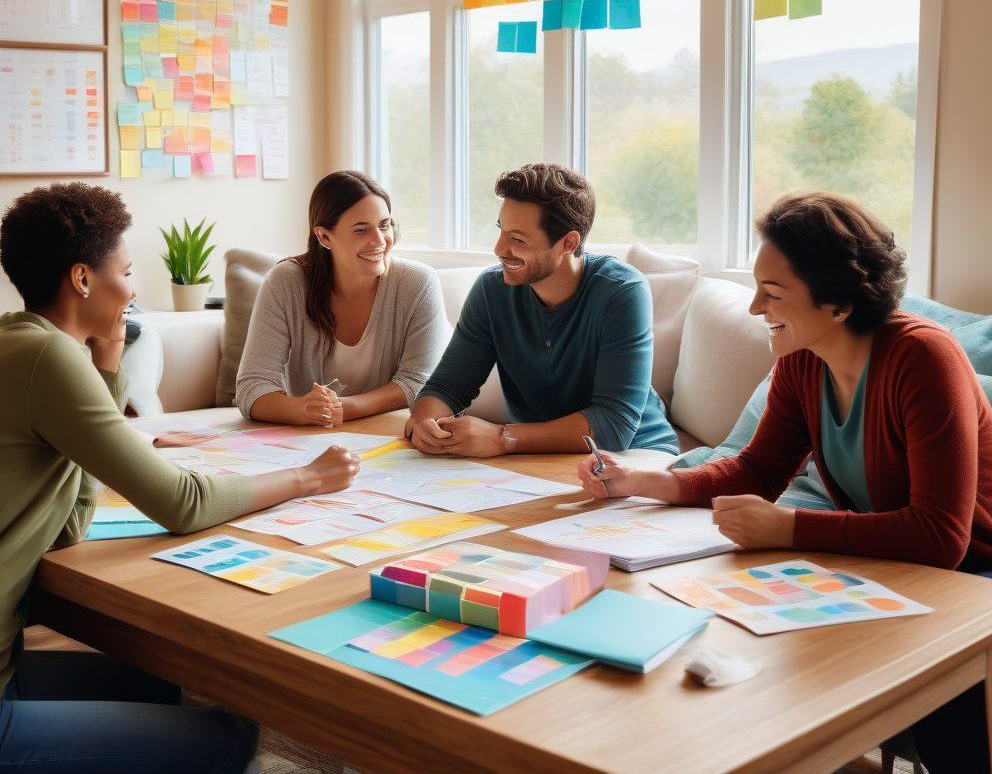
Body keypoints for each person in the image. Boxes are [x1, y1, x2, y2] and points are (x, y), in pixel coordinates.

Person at [576, 191, 992, 774]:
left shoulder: (922, 358)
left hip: (989, 578)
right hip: (899, 571)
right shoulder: (801, 357)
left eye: (774, 292)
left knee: (950, 700)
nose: (755, 307)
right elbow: (758, 470)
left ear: (837, 303)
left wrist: (788, 526)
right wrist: (640, 481)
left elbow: (942, 537)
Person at [0, 182, 360, 773]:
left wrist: (108, 367)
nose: (134, 289)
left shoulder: (22, 344)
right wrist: (306, 477)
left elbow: (67, 528)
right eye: (128, 269)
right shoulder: (48, 359)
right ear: (83, 279)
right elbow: (183, 503)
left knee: (162, 681)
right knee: (229, 735)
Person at [405, 163, 679, 458]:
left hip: (633, 455)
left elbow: (614, 425)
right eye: (501, 231)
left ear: (568, 242)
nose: (499, 249)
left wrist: (502, 438)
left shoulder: (621, 292)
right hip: (535, 456)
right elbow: (447, 386)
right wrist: (426, 422)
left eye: (518, 239)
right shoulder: (492, 289)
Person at [236, 171, 448, 428]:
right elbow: (251, 388)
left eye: (384, 225)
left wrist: (344, 408)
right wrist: (304, 410)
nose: (379, 241)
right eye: (361, 230)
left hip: (386, 435)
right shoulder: (285, 282)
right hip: (312, 439)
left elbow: (420, 382)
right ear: (324, 237)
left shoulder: (418, 283)